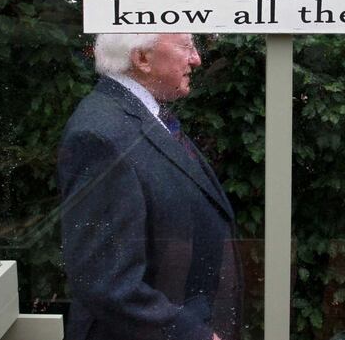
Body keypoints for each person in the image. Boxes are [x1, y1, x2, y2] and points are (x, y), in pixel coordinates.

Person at [57, 33, 242, 340]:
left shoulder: (138, 116)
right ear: (142, 58)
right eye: (186, 46)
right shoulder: (100, 135)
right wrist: (192, 335)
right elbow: (106, 282)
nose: (196, 59)